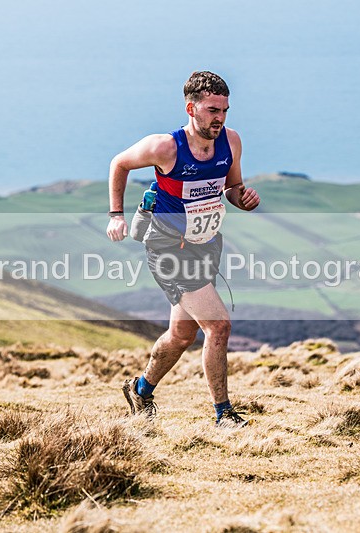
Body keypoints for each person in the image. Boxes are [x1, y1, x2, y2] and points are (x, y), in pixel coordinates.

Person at [106, 71, 260, 427]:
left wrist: (244, 199)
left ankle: (141, 390)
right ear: (191, 109)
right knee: (218, 326)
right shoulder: (166, 147)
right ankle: (223, 415)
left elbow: (232, 188)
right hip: (169, 249)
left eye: (225, 110)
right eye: (212, 110)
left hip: (207, 245)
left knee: (181, 335)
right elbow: (119, 163)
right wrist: (116, 215)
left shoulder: (231, 141)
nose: (220, 118)